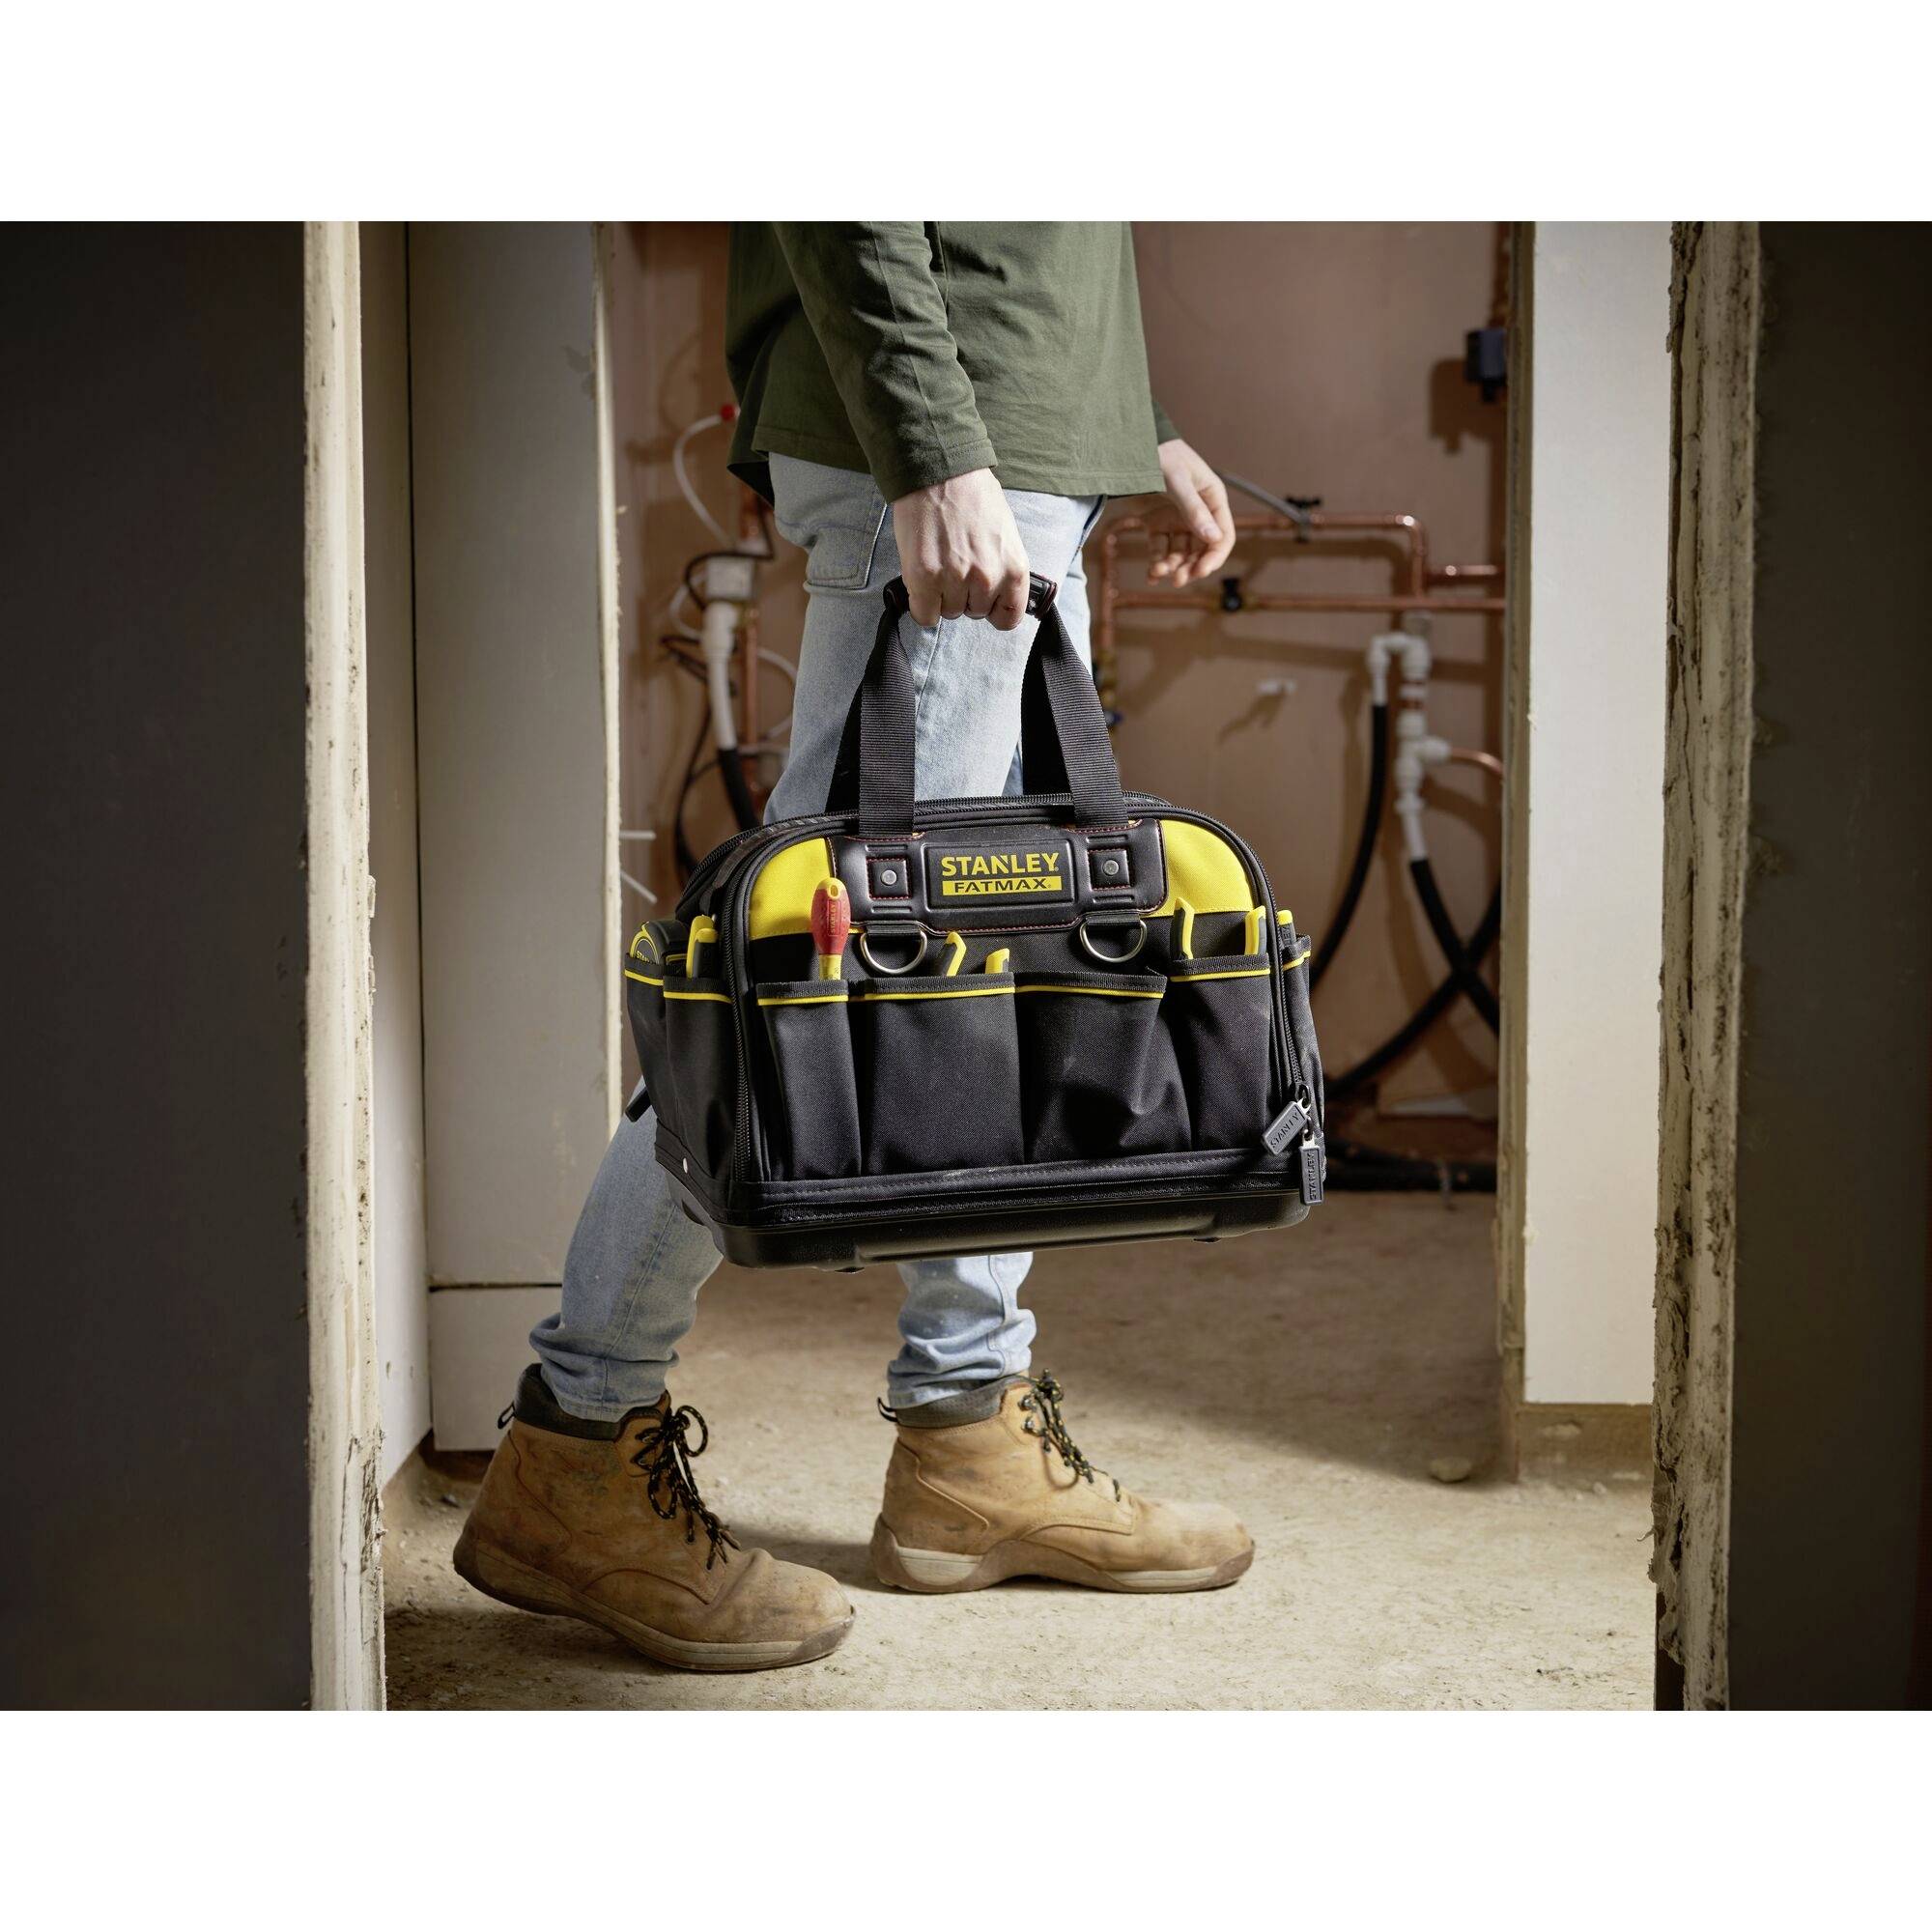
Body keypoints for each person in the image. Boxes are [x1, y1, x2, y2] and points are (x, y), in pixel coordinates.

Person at [455, 222, 1248, 1673]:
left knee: (959, 983)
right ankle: (573, 1448)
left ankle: (968, 1440)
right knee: (797, 999)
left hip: (1008, 430)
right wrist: (938, 448)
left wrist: (1141, 420)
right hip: (946, 442)